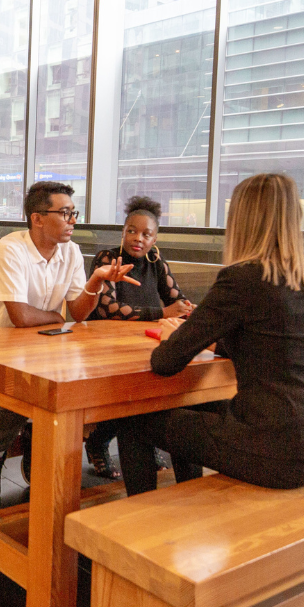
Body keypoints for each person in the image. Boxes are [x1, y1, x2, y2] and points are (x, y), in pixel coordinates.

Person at [120, 173, 304, 496]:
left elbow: (166, 362)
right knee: (194, 413)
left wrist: (176, 334)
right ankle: (186, 504)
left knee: (134, 421)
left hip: (277, 452)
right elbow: (268, 340)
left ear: (240, 219)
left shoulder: (242, 279)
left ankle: (134, 531)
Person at [0, 182, 137, 497]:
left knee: (67, 374)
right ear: (37, 218)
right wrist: (57, 317)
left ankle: (37, 439)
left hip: (43, 342)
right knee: (24, 380)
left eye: (73, 213)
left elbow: (77, 312)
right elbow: (20, 317)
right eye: (64, 213)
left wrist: (96, 282)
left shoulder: (71, 251)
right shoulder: (11, 248)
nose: (72, 220)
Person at [81, 195, 195, 479]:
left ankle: (146, 440)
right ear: (123, 232)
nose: (138, 238)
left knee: (156, 385)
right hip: (103, 342)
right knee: (123, 394)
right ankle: (98, 441)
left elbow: (176, 298)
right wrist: (163, 311)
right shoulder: (107, 259)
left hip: (140, 339)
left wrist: (186, 310)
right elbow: (109, 309)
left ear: (155, 240)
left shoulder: (156, 262)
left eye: (146, 234)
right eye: (131, 230)